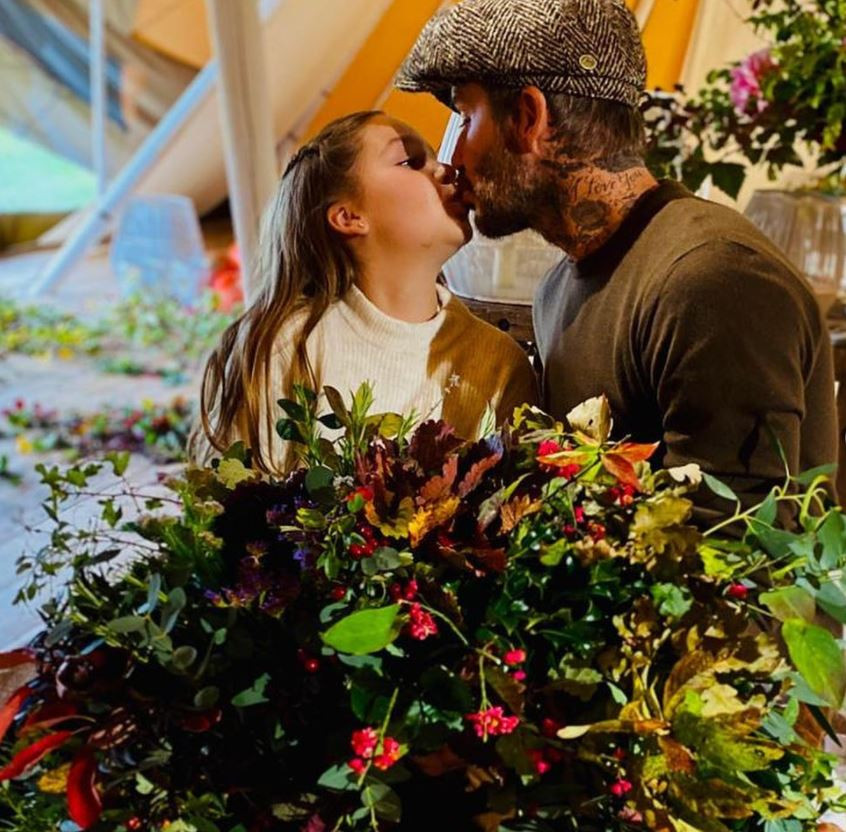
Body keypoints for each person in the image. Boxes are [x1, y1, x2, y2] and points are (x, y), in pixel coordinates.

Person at [396, 0, 838, 521]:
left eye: (467, 118)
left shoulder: (711, 279)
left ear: (529, 118)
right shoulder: (558, 289)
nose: (451, 159)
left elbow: (739, 544)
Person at [193, 111, 537, 475]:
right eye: (411, 162)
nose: (447, 169)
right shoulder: (286, 347)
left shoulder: (500, 365)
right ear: (349, 217)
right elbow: (231, 499)